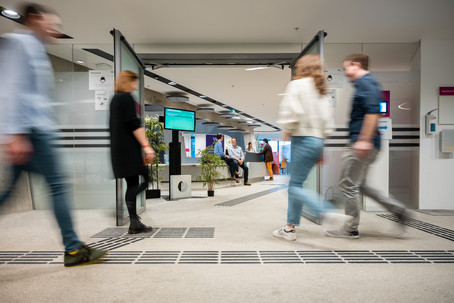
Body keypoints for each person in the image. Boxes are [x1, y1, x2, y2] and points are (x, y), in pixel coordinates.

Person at [0, 3, 108, 267]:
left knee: (9, 192)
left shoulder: (36, 49)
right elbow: (9, 89)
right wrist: (14, 134)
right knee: (58, 187)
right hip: (31, 133)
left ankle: (73, 247)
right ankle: (72, 249)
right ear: (35, 18)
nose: (55, 30)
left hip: (35, 132)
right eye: (52, 24)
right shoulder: (18, 44)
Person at [325, 53, 409, 239]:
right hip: (369, 143)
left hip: (363, 142)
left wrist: (364, 139)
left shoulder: (366, 83)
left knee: (348, 184)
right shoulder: (366, 84)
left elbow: (372, 113)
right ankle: (399, 211)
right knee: (361, 185)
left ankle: (350, 228)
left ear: (356, 65)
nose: (345, 72)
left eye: (346, 67)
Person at [273, 54, 349, 241]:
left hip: (302, 139)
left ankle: (325, 211)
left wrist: (285, 137)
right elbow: (327, 123)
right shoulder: (321, 90)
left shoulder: (297, 85)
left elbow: (290, 114)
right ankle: (289, 228)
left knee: (294, 186)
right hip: (317, 141)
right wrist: (322, 148)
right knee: (296, 185)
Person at [109, 70, 155, 234]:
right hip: (129, 149)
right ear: (128, 82)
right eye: (134, 82)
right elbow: (134, 124)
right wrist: (146, 147)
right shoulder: (126, 98)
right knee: (146, 179)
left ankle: (134, 223)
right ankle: (126, 212)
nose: (135, 85)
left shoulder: (115, 99)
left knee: (133, 183)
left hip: (118, 149)